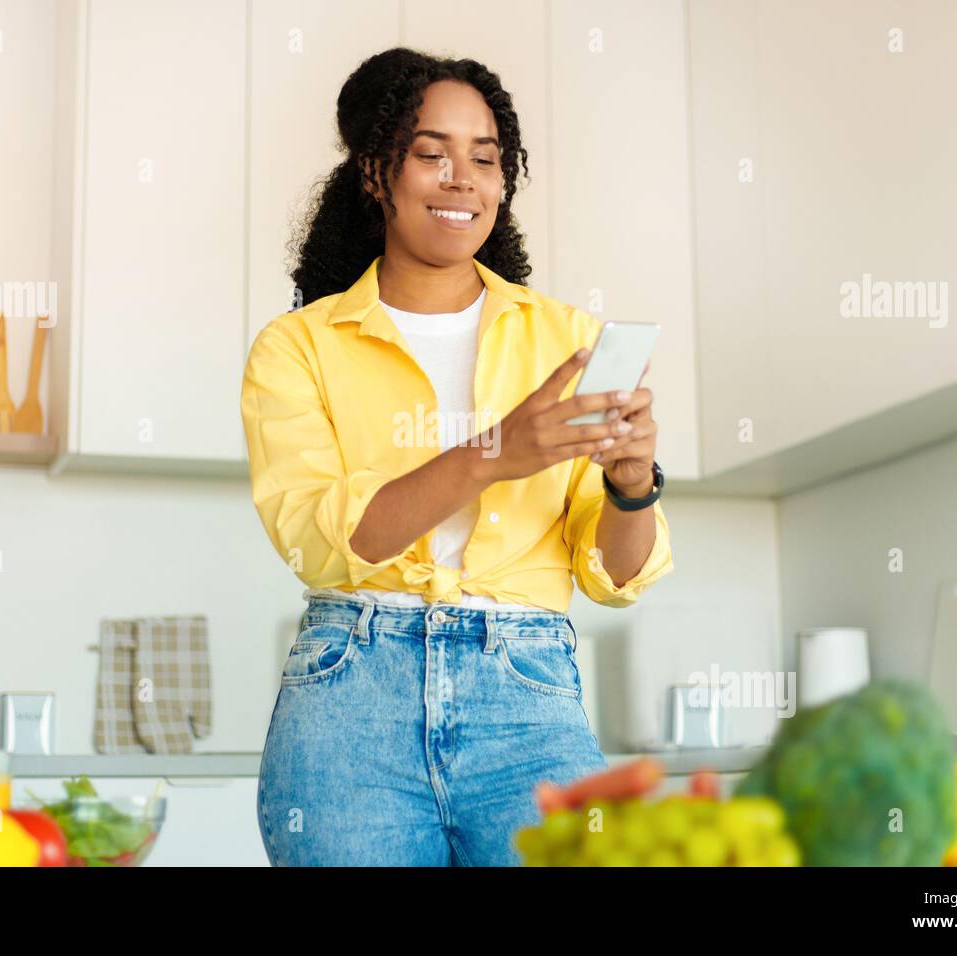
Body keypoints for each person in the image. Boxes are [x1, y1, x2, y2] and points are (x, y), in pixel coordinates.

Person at [241, 47, 674, 866]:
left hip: (528, 695)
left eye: (485, 159)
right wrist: (494, 453)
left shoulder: (569, 340)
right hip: (350, 704)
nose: (461, 179)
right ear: (377, 172)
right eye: (431, 153)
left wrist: (630, 487)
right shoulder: (298, 346)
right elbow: (326, 538)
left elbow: (612, 579)